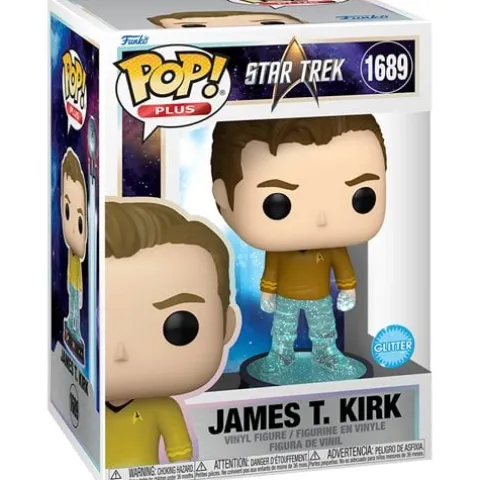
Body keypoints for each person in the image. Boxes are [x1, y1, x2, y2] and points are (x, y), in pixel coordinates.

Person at [211, 116, 386, 372]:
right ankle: (280, 355)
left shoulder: (332, 247)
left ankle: (327, 354)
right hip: (286, 298)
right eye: (277, 204)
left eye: (362, 198)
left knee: (324, 330)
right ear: (224, 197)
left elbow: (343, 267)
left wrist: (349, 289)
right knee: (282, 331)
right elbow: (271, 270)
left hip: (319, 298)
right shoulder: (279, 249)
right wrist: (268, 292)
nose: (321, 219)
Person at [105, 199, 239, 468]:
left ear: (227, 327)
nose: (121, 352)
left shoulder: (163, 407)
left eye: (179, 327)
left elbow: (180, 453)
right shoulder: (88, 405)